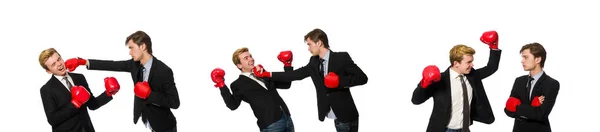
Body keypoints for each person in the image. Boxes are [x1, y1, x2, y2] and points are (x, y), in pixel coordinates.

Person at [253, 28, 368, 132]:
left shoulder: (341, 57)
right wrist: (268, 74)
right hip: (333, 114)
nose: (308, 48)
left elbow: (362, 78)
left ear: (319, 43)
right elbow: (296, 75)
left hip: (347, 114)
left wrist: (340, 81)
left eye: (309, 44)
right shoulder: (314, 62)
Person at [64, 31, 180, 132]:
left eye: (131, 48)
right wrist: (83, 62)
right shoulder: (134, 65)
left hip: (164, 126)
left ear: (143, 46)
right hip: (147, 120)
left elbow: (174, 102)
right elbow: (112, 64)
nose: (130, 52)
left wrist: (150, 94)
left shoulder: (164, 71)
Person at [411, 31, 501, 132]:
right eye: (469, 62)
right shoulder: (439, 80)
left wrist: (494, 46)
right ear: (456, 63)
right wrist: (424, 83)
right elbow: (416, 100)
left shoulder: (472, 75)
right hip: (444, 130)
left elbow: (491, 68)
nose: (472, 65)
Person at [211, 47, 295, 132]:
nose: (251, 59)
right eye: (246, 58)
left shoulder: (262, 73)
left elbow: (286, 85)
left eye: (250, 56)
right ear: (239, 65)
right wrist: (221, 84)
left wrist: (287, 64)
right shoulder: (238, 84)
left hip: (287, 118)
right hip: (271, 124)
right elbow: (233, 105)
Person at [39, 48, 120, 132]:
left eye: (59, 59)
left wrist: (108, 93)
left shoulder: (79, 78)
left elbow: (92, 105)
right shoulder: (47, 89)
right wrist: (75, 103)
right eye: (53, 64)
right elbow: (53, 119)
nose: (59, 64)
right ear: (48, 71)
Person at [504, 42, 559, 132]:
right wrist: (532, 107)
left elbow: (541, 114)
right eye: (522, 57)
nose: (522, 61)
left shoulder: (551, 84)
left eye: (525, 57)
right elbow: (508, 110)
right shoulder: (519, 81)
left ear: (537, 59)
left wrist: (517, 107)